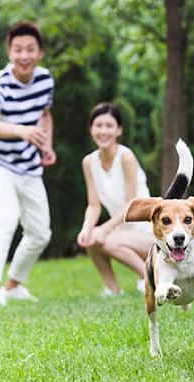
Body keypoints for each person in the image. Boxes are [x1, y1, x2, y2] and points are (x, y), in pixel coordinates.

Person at [0, 21, 56, 306]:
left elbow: (44, 113)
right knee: (7, 216)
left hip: (30, 166)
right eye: (18, 49)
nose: (24, 56)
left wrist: (45, 145)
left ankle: (12, 286)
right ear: (9, 51)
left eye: (30, 50)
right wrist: (22, 130)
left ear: (40, 53)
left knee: (40, 233)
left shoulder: (45, 79)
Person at [77, 102, 154, 296]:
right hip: (120, 231)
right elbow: (93, 205)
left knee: (106, 240)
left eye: (109, 126)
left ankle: (151, 280)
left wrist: (105, 228)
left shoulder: (126, 157)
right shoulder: (89, 162)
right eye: (98, 125)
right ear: (91, 129)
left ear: (119, 130)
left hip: (148, 233)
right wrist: (87, 228)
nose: (103, 131)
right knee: (91, 238)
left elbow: (131, 204)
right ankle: (112, 289)